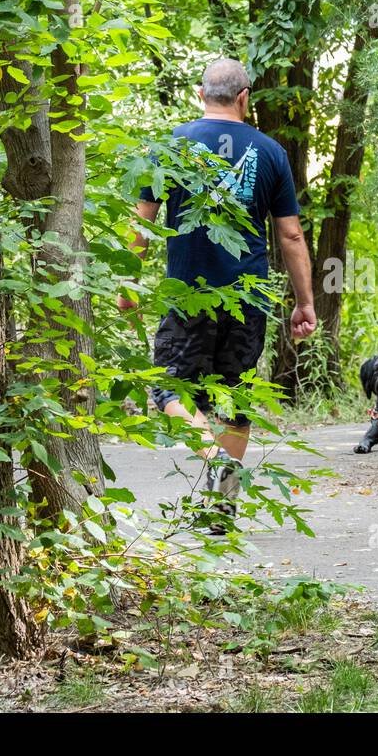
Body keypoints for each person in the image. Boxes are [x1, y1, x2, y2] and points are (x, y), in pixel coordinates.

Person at [119, 58, 317, 533]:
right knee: (235, 397)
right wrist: (305, 301)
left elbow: (141, 222)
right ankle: (222, 502)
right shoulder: (270, 152)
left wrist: (126, 286)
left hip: (187, 295)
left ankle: (213, 461)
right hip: (247, 296)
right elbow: (290, 236)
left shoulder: (169, 145)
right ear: (244, 96)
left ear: (199, 93)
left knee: (168, 386)